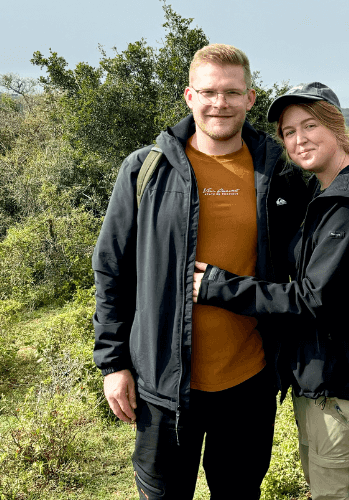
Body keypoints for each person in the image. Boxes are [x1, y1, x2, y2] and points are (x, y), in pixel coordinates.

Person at [92, 44, 308, 500]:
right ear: (189, 96)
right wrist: (113, 363)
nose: (220, 103)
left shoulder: (278, 174)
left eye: (232, 92)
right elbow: (112, 269)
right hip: (163, 386)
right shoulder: (146, 169)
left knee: (239, 492)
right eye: (209, 92)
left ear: (250, 99)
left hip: (249, 383)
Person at [193, 82, 349, 500]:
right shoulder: (323, 192)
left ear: (337, 127)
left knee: (337, 495)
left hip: (344, 384)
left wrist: (218, 286)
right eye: (289, 132)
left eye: (309, 125)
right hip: (321, 377)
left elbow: (313, 298)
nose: (299, 140)